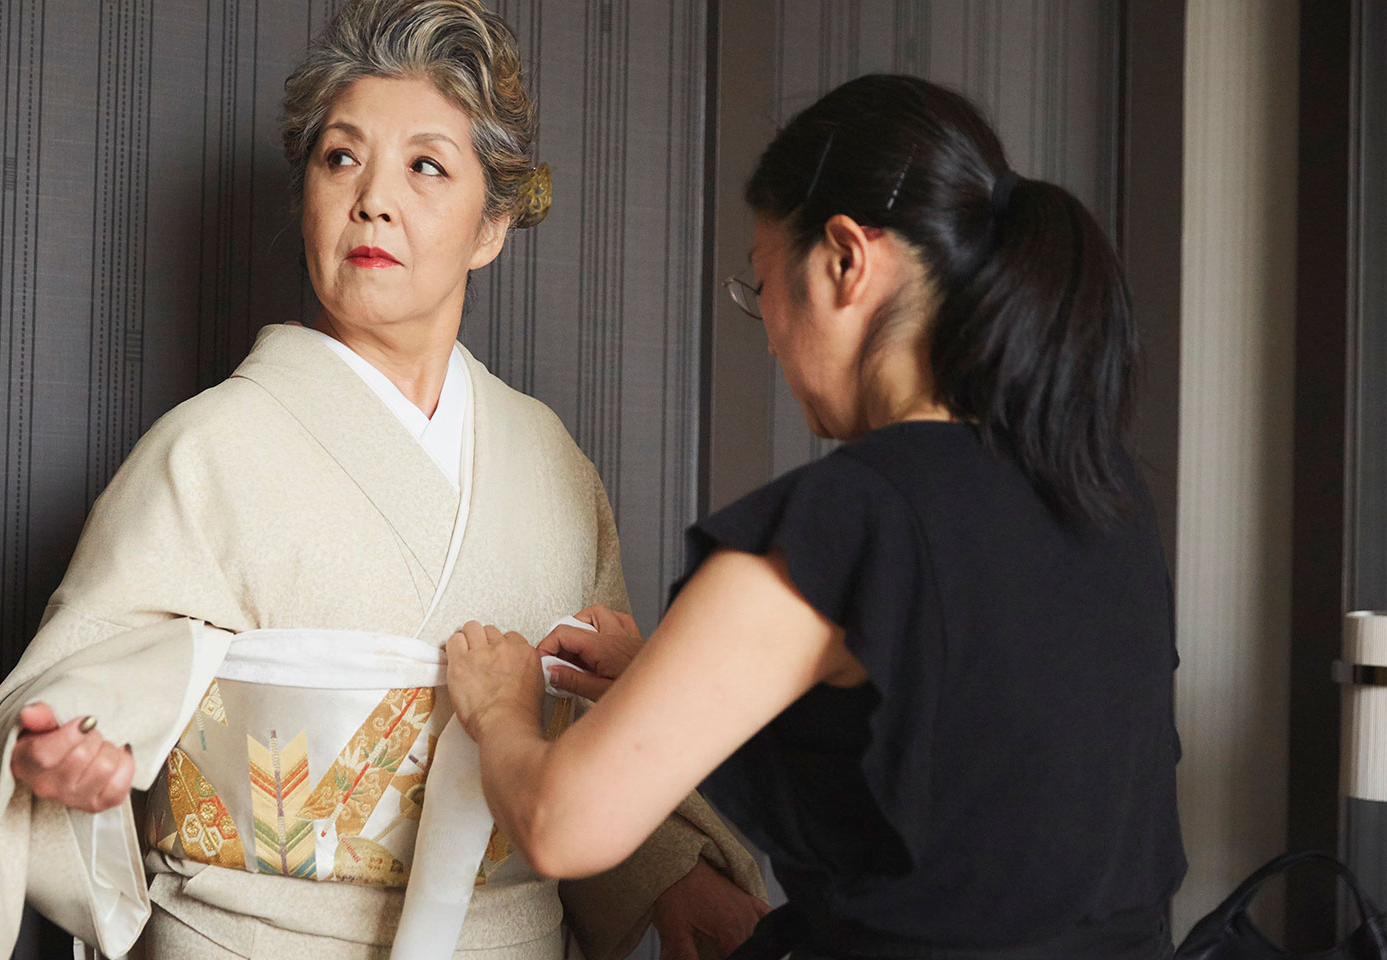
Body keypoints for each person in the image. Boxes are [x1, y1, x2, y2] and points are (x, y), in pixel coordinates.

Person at [0, 2, 766, 958]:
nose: (373, 198)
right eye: (341, 157)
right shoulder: (206, 450)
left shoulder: (551, 465)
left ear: (492, 225)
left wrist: (671, 872)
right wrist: (70, 765)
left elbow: (596, 725)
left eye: (426, 165)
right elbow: (57, 701)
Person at [447, 74, 1186, 960]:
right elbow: (967, 770)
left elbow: (563, 825)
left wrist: (500, 712)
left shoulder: (855, 515)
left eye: (764, 286)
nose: (767, 334)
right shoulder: (1098, 490)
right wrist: (657, 675)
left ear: (844, 259)